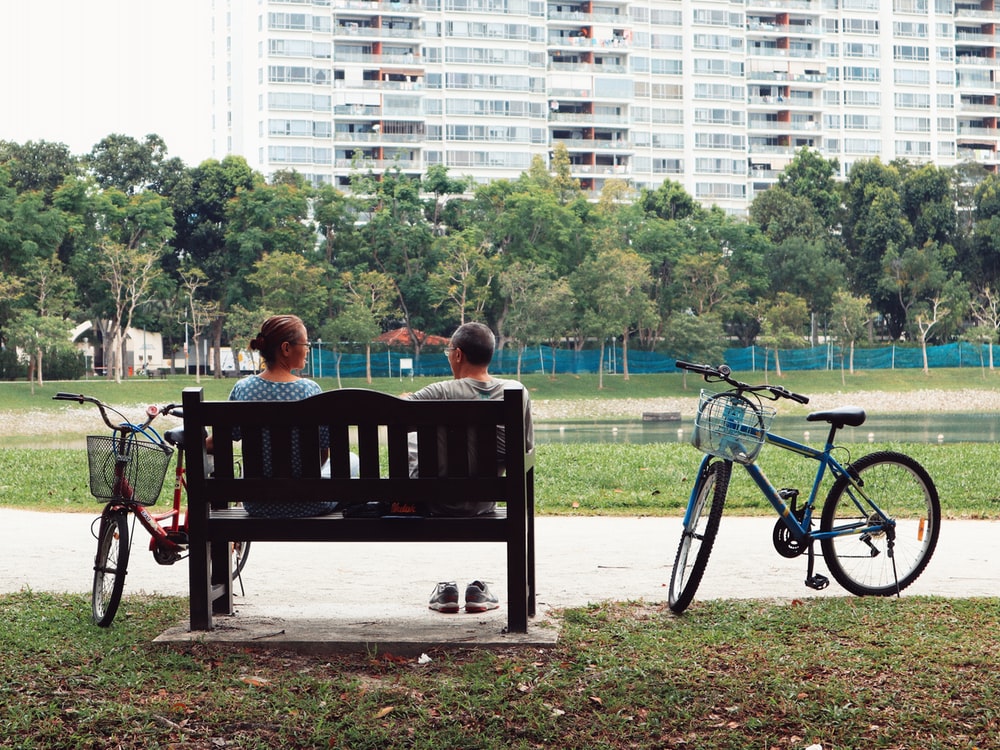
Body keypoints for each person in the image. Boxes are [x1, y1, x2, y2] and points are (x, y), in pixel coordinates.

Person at [407, 321, 534, 614]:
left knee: (414, 442)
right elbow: (526, 450)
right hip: (484, 502)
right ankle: (488, 598)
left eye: (448, 351)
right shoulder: (516, 392)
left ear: (458, 355)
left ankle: (444, 595)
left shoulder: (438, 391)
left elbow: (394, 417)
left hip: (434, 501)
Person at [213, 314, 355, 518]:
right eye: (305, 343)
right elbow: (323, 454)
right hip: (310, 503)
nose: (307, 349)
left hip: (257, 503)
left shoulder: (243, 389)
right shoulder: (310, 390)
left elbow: (220, 441)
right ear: (286, 348)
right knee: (352, 460)